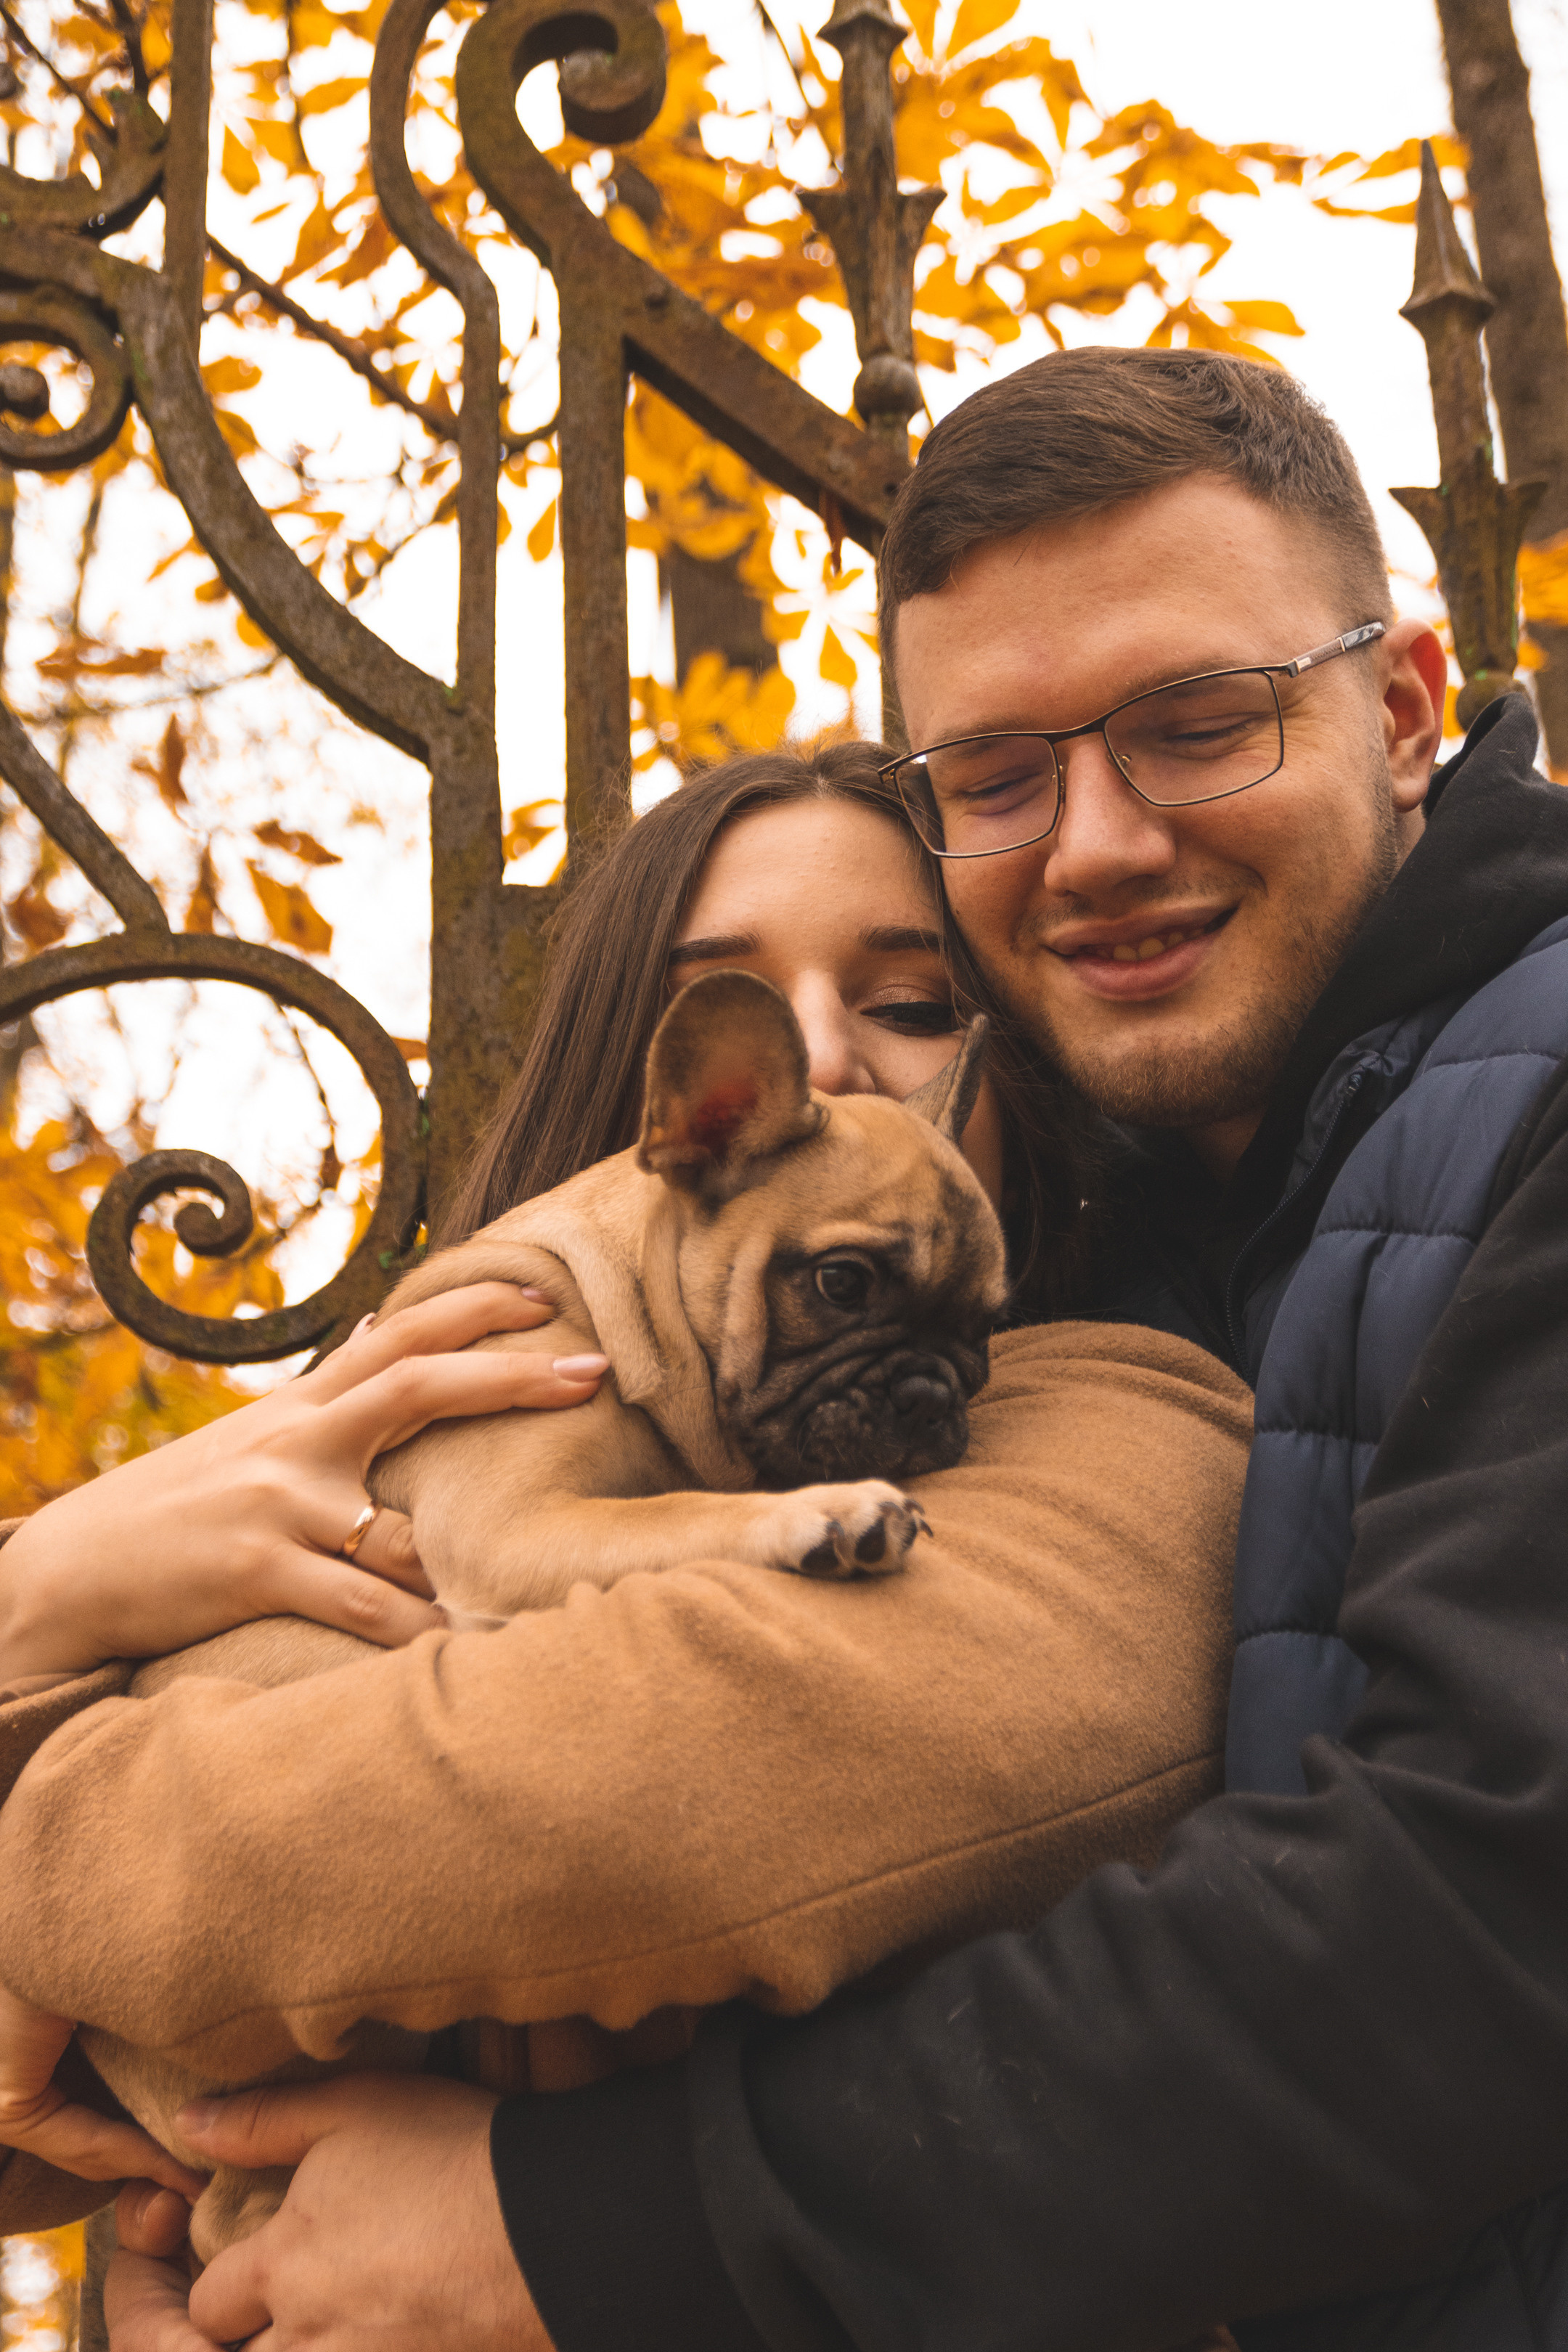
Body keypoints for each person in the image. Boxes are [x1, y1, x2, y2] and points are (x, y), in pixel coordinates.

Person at [83, 340, 1568, 2351]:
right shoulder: (1210, 1218)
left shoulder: (1120, 1366)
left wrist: (562, 2224)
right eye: (1001, 776)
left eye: (1198, 725)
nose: (1103, 842)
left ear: (1400, 707)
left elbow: (1466, 1923)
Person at [0, 745, 1251, 2333]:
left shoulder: (1122, 1434)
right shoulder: (503, 1367)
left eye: (918, 1005)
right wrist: (35, 1602)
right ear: (684, 1104)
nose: (831, 1068)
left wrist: (34, 1860)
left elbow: (575, 1801)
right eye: (727, 1007)